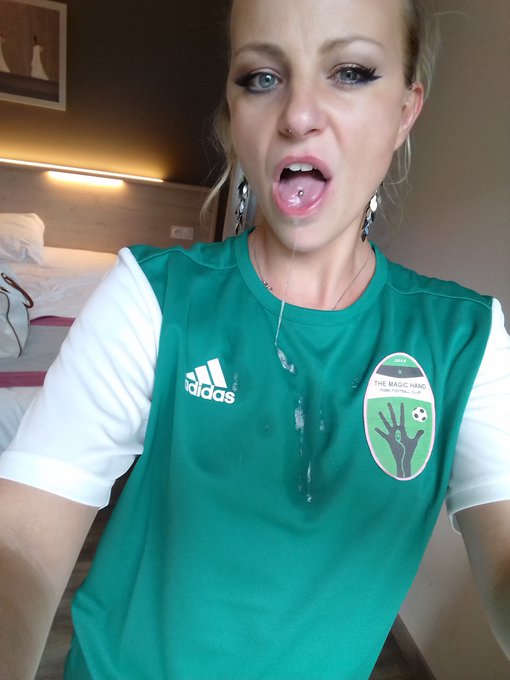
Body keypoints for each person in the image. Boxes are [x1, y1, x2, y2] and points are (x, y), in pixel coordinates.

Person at [1, 0, 510, 678]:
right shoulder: (150, 298)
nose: (298, 116)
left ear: (405, 111)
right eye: (262, 78)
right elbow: (21, 544)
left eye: (350, 72)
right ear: (234, 115)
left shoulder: (467, 339)